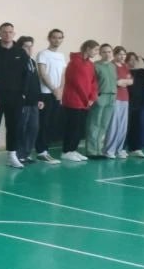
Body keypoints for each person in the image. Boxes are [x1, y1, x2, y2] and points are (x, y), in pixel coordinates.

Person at [0, 23, 32, 168]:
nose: (7, 34)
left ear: (14, 34)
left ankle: (12, 155)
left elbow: (27, 74)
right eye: (4, 32)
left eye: (10, 32)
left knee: (14, 126)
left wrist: (24, 93)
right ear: (0, 34)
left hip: (15, 96)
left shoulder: (21, 52)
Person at [60, 40, 99, 162]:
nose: (96, 52)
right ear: (87, 48)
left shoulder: (90, 64)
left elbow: (93, 82)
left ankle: (73, 150)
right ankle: (66, 151)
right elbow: (77, 83)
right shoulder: (74, 62)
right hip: (74, 101)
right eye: (95, 50)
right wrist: (86, 99)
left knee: (79, 128)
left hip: (85, 102)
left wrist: (92, 98)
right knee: (72, 127)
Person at [16, 36, 49, 166]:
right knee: (21, 128)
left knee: (33, 128)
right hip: (23, 102)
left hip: (34, 101)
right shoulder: (17, 61)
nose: (29, 49)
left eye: (31, 46)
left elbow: (36, 81)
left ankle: (26, 153)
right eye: (26, 46)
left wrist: (40, 98)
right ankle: (18, 155)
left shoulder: (32, 61)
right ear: (20, 48)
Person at [35, 29, 67, 162]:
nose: (57, 40)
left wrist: (61, 90)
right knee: (44, 123)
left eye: (60, 38)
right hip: (45, 93)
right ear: (49, 38)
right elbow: (42, 74)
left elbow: (63, 74)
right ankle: (41, 151)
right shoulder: (43, 54)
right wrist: (54, 89)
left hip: (57, 94)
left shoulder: (61, 56)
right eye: (54, 37)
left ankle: (46, 150)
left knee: (52, 123)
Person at [86, 44, 117, 158]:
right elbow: (91, 83)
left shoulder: (112, 66)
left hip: (112, 97)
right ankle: (91, 151)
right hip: (100, 96)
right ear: (100, 53)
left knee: (104, 124)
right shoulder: (95, 66)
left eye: (109, 52)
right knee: (95, 124)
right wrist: (94, 97)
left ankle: (99, 150)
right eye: (104, 52)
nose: (107, 54)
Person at [102, 46, 133, 158]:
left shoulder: (125, 66)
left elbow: (130, 81)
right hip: (115, 98)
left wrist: (122, 81)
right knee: (113, 125)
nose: (122, 56)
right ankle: (109, 150)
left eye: (124, 54)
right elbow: (114, 82)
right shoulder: (111, 66)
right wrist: (121, 82)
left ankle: (119, 150)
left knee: (123, 126)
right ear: (114, 55)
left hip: (125, 98)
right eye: (120, 54)